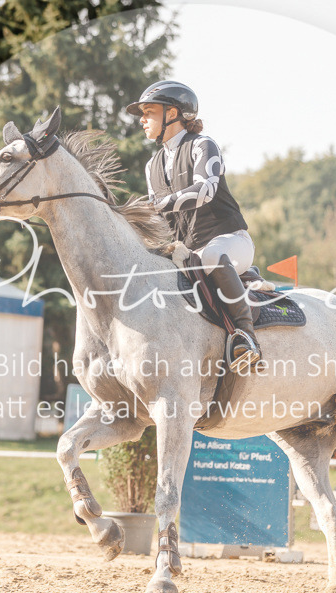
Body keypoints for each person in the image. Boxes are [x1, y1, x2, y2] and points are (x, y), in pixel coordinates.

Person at [127, 80, 262, 373]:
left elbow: (205, 190)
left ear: (172, 114)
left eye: (149, 112)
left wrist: (157, 206)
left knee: (211, 256)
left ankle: (246, 336)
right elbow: (159, 218)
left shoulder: (203, 145)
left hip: (229, 242)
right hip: (189, 252)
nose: (142, 120)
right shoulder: (152, 165)